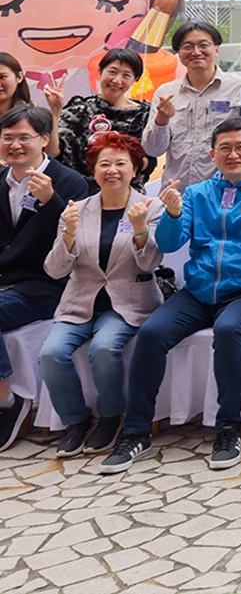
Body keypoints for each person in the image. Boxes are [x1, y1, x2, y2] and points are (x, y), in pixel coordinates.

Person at [102, 115, 241, 474]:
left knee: (229, 331)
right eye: (224, 148)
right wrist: (172, 214)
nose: (233, 155)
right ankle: (136, 431)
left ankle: (228, 428)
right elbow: (169, 243)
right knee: (151, 334)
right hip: (199, 292)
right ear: (212, 154)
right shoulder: (197, 193)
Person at [40, 131, 161, 457]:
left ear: (135, 169)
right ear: (93, 170)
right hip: (80, 302)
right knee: (51, 353)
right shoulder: (76, 210)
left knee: (104, 348)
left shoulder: (150, 207)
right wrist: (68, 235)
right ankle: (75, 421)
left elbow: (150, 263)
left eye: (121, 163)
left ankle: (110, 417)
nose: (112, 170)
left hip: (128, 303)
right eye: (104, 164)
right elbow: (54, 270)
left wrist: (140, 229)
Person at [0, 106, 92, 449]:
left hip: (45, 286)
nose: (15, 145)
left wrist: (51, 200)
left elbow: (80, 241)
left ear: (44, 139)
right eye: (7, 138)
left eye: (24, 137)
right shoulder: (1, 180)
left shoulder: (70, 182)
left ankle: (8, 399)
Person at [143, 22, 241, 188]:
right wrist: (161, 120)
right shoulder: (166, 92)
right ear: (178, 53)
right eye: (187, 47)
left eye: (203, 45)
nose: (196, 52)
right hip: (177, 192)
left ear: (216, 49)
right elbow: (153, 150)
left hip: (226, 190)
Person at [55, 47, 152, 176]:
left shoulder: (144, 114)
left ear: (135, 79)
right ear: (100, 71)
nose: (117, 80)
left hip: (127, 186)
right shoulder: (80, 109)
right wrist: (55, 111)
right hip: (82, 185)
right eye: (112, 72)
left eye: (126, 75)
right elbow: (55, 152)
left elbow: (150, 159)